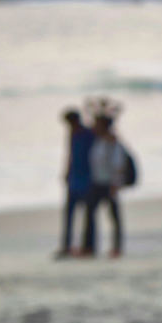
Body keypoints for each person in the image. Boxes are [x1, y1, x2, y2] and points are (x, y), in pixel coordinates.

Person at [83, 99, 127, 258]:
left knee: (114, 217)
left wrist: (116, 183)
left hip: (109, 184)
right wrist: (94, 107)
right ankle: (89, 247)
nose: (94, 127)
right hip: (97, 182)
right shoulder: (99, 141)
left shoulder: (112, 143)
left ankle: (117, 248)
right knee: (90, 216)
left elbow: (118, 164)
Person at [56, 108, 93, 259]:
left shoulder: (88, 135)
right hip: (74, 179)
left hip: (87, 179)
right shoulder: (72, 135)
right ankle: (67, 246)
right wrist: (66, 172)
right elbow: (70, 155)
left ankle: (87, 247)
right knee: (69, 215)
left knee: (87, 215)